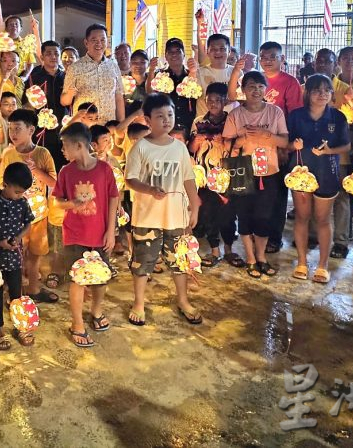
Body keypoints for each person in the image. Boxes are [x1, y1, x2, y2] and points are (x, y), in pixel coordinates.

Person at [125, 93, 201, 325]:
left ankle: (183, 300)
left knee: (179, 261)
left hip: (176, 217)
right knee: (142, 263)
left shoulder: (179, 148)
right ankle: (139, 303)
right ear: (147, 120)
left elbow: (189, 179)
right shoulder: (140, 148)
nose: (166, 120)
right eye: (160, 116)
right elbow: (131, 179)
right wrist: (149, 190)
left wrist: (194, 206)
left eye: (170, 115)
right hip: (147, 218)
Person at [52, 123, 118, 348]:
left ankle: (96, 311)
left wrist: (111, 230)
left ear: (79, 145)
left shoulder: (104, 170)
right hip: (74, 235)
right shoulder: (66, 172)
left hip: (99, 235)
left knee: (100, 278)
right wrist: (71, 204)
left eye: (65, 146)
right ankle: (77, 323)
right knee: (77, 279)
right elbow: (58, 201)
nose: (63, 151)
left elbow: (113, 198)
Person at [223, 71, 289, 277]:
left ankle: (261, 256)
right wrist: (240, 141)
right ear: (243, 90)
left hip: (269, 172)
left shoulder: (275, 112)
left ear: (266, 90)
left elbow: (285, 142)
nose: (256, 90)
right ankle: (250, 257)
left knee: (264, 216)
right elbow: (226, 145)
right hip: (243, 171)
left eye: (260, 86)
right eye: (251, 86)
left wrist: (267, 135)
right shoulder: (236, 115)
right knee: (244, 216)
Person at [287, 75, 351, 284]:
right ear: (308, 94)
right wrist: (293, 146)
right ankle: (302, 262)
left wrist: (330, 151)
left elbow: (346, 146)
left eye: (326, 90)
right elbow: (286, 143)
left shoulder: (338, 117)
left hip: (327, 173)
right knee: (302, 217)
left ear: (332, 94)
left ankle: (322, 266)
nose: (322, 94)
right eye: (316, 90)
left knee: (323, 219)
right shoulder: (296, 116)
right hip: (300, 175)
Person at [0, 108, 57, 303]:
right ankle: (15, 294)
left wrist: (36, 171)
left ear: (31, 130)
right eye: (11, 129)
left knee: (35, 254)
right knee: (15, 254)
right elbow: (1, 183)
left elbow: (54, 183)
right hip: (15, 216)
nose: (13, 134)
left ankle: (33, 289)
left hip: (38, 215)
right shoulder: (8, 154)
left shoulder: (42, 153)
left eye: (17, 129)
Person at [0, 161, 36, 349]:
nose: (20, 195)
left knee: (16, 294)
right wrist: (0, 243)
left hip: (14, 258)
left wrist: (18, 238)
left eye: (22, 192)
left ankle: (19, 326)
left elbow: (28, 224)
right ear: (5, 184)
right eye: (17, 191)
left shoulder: (22, 203)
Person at [190, 83, 239, 266]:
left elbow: (235, 146)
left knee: (228, 213)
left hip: (226, 175)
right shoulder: (198, 121)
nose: (213, 104)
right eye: (210, 100)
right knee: (208, 212)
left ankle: (229, 250)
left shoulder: (232, 120)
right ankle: (214, 251)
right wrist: (197, 140)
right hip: (204, 174)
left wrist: (224, 142)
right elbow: (191, 149)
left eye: (217, 100)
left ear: (225, 101)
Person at [61, 23, 124, 124]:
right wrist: (69, 94)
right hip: (85, 127)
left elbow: (118, 97)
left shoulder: (114, 66)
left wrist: (121, 124)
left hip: (108, 127)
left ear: (107, 42)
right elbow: (64, 101)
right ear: (86, 43)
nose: (99, 43)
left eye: (102, 40)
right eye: (94, 40)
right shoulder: (75, 67)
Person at [27, 39, 69, 169]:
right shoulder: (35, 76)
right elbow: (27, 101)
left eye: (56, 53)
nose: (53, 57)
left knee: (63, 163)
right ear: (42, 57)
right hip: (42, 130)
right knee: (43, 165)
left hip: (64, 127)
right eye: (49, 53)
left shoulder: (67, 76)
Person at [148, 38, 197, 131]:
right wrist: (151, 70)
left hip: (188, 126)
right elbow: (150, 93)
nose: (174, 54)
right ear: (166, 56)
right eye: (170, 52)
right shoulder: (160, 76)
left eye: (178, 51)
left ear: (184, 55)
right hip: (165, 126)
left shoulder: (191, 75)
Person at [0, 0, 38, 78]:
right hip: (1, 77)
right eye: (11, 24)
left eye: (16, 24)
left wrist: (24, 77)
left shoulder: (26, 43)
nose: (14, 26)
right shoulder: (1, 41)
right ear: (6, 28)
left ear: (21, 28)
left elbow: (30, 63)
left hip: (19, 78)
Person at [0, 20, 25, 114]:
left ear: (19, 65)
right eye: (5, 60)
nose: (10, 64)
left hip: (16, 125)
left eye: (14, 61)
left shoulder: (20, 82)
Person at [194, 26, 233, 117]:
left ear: (229, 51)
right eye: (213, 49)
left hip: (230, 123)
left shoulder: (237, 73)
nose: (217, 52)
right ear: (207, 51)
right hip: (204, 124)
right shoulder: (199, 73)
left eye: (222, 49)